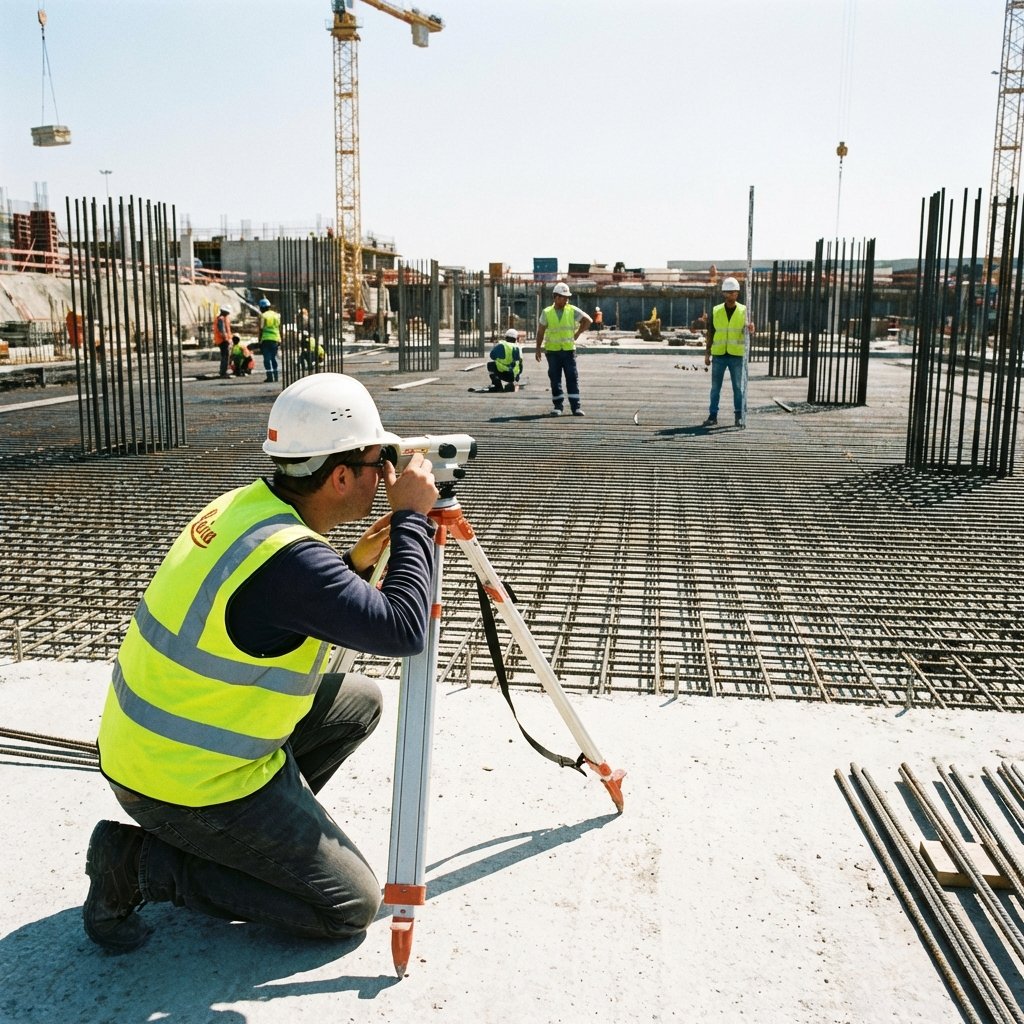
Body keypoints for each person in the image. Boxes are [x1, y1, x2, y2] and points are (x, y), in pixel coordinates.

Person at [81, 373, 439, 952]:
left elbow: (275, 609)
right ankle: (141, 865)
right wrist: (415, 520)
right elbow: (402, 628)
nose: (388, 476)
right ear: (341, 475)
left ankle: (258, 850)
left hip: (159, 749)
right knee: (350, 906)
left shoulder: (247, 508)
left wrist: (353, 562)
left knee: (360, 703)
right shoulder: (293, 565)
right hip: (183, 782)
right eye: (380, 463)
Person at [703, 276, 755, 428]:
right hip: (719, 354)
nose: (730, 295)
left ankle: (738, 415)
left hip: (736, 355)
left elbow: (749, 329)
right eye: (727, 292)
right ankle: (713, 415)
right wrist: (707, 353)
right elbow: (710, 332)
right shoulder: (716, 310)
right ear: (723, 294)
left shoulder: (744, 310)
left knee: (738, 388)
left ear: (737, 293)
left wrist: (751, 328)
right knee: (715, 388)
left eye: (732, 292)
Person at [535, 281, 592, 416]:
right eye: (563, 297)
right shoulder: (547, 312)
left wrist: (578, 333)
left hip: (568, 351)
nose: (566, 300)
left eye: (567, 297)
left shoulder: (571, 310)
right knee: (555, 378)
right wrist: (537, 348)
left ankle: (575, 407)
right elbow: (541, 331)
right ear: (555, 297)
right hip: (552, 352)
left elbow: (588, 320)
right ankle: (558, 406)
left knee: (572, 377)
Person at [257, 297, 281, 383]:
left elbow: (261, 328)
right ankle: (276, 376)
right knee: (273, 358)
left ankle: (269, 377)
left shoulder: (263, 316)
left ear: (262, 307)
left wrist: (259, 340)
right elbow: (278, 327)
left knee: (267, 359)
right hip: (275, 339)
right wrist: (279, 339)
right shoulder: (276, 315)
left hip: (266, 339)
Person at [213, 305, 233, 379]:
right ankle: (223, 372)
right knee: (225, 356)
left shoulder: (224, 318)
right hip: (223, 340)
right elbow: (222, 331)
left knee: (225, 356)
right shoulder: (221, 319)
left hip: (224, 340)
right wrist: (226, 339)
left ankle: (223, 371)